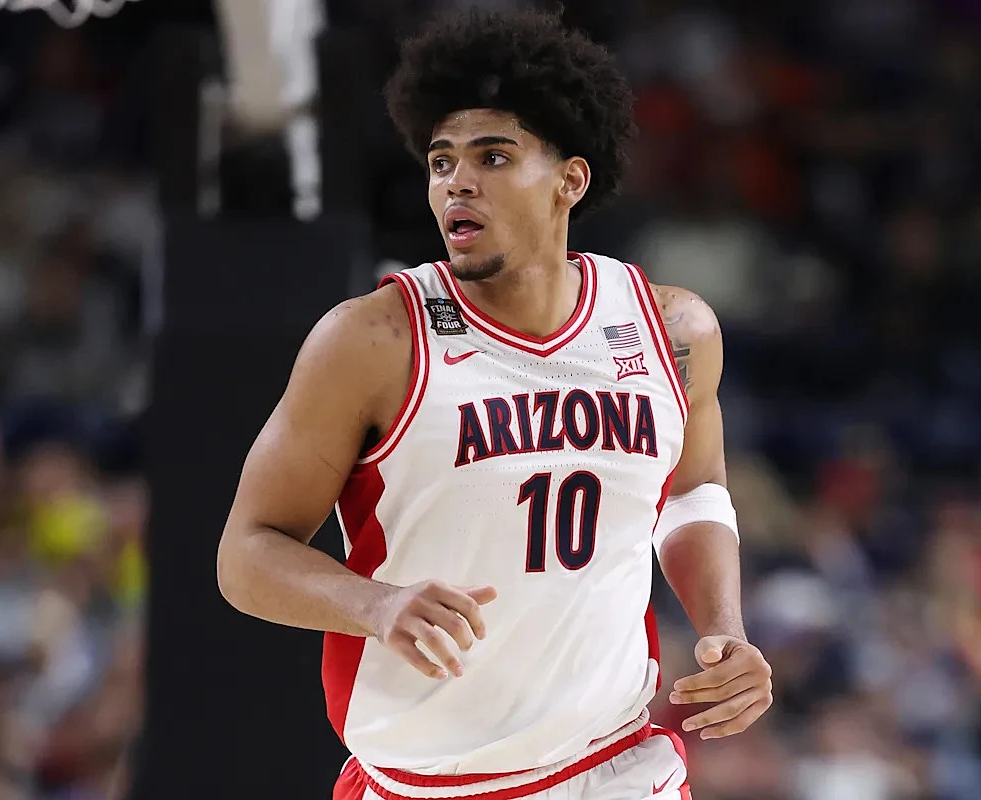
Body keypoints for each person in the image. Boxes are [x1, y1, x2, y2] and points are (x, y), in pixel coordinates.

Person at [216, 9, 772, 800]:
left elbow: (692, 491)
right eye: (441, 161)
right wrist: (375, 604)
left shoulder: (673, 329)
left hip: (614, 766)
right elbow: (245, 555)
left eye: (494, 156)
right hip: (424, 782)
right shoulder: (373, 340)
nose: (457, 182)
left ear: (570, 181)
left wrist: (724, 628)